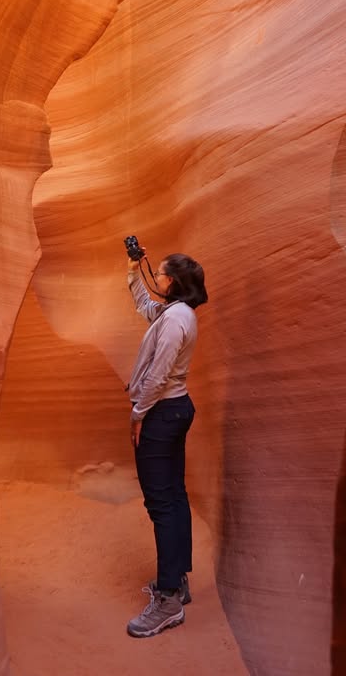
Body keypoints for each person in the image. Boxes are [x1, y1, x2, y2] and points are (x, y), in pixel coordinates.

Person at [125, 250, 208, 638]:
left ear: (172, 281)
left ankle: (169, 598)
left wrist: (139, 413)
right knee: (174, 496)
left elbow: (158, 373)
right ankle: (177, 579)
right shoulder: (174, 312)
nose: (155, 277)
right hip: (173, 409)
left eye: (159, 273)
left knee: (161, 503)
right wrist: (132, 270)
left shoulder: (176, 319)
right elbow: (145, 305)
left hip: (162, 412)